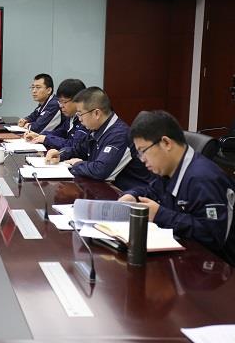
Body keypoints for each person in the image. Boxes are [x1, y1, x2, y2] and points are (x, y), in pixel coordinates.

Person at [118, 110, 235, 265]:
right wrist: (133, 195)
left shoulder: (203, 179)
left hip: (216, 268)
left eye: (143, 151)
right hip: (183, 254)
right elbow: (152, 191)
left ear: (166, 143)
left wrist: (160, 215)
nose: (142, 159)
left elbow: (212, 235)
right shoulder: (168, 168)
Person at [46, 87, 153, 191]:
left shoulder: (119, 135)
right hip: (105, 188)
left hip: (129, 194)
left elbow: (100, 170)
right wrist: (60, 154)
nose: (80, 119)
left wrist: (77, 164)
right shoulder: (96, 128)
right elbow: (78, 149)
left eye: (80, 114)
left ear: (96, 113)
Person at [24, 78, 88, 149]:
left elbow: (73, 145)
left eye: (64, 102)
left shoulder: (84, 120)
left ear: (78, 100)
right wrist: (39, 135)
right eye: (60, 102)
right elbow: (60, 132)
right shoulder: (71, 117)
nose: (61, 106)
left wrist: (46, 139)